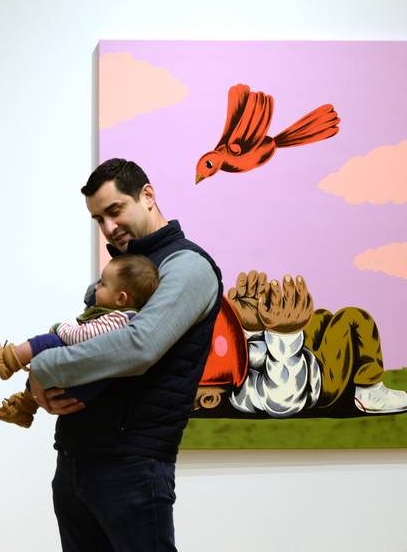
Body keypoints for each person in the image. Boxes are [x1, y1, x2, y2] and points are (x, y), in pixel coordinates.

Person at [27, 158, 223, 551]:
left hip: (131, 469)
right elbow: (86, 342)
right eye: (98, 219)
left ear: (147, 196)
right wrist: (48, 389)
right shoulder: (128, 268)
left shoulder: (189, 268)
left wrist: (42, 367)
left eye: (114, 211)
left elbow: (138, 346)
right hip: (76, 462)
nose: (109, 228)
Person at [0, 254, 159, 428]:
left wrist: (59, 327)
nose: (96, 288)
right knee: (49, 356)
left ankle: (7, 361)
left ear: (121, 298)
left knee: (50, 342)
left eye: (103, 284)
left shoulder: (119, 319)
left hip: (83, 382)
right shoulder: (120, 317)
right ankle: (23, 408)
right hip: (84, 387)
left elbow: (81, 337)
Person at [224, 270, 407, 417]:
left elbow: (252, 357)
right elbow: (282, 400)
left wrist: (252, 329)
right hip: (319, 385)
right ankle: (370, 391)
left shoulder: (226, 370)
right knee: (354, 318)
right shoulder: (242, 397)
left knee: (320, 317)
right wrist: (285, 333)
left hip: (303, 361)